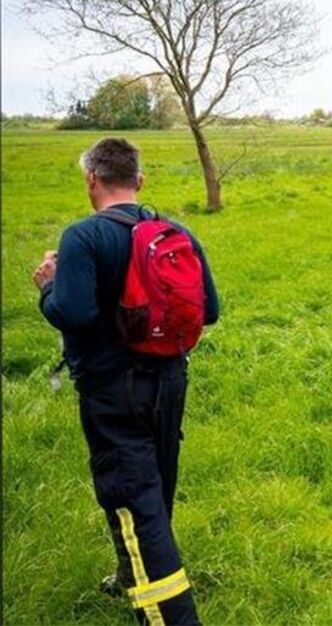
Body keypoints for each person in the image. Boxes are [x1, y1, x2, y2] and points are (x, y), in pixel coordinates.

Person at [35, 138, 218, 624]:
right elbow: (211, 311)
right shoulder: (175, 231)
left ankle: (173, 617)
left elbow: (73, 312)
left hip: (112, 389)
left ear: (91, 180)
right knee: (152, 489)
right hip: (170, 381)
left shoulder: (83, 238)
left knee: (130, 495)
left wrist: (48, 285)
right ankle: (128, 574)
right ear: (140, 180)